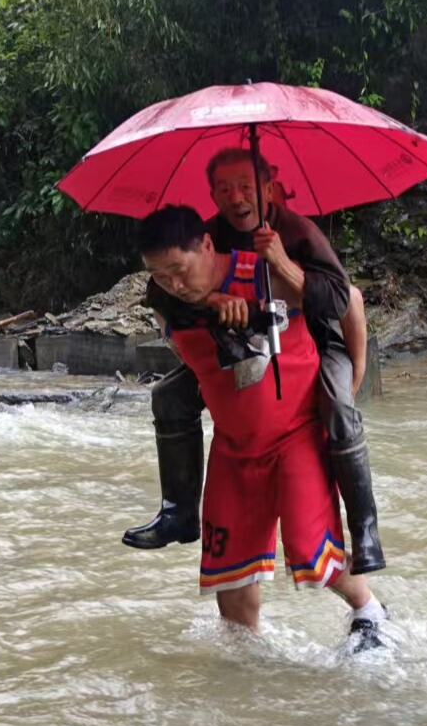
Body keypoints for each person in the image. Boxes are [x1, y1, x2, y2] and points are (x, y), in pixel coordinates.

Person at [123, 149, 386, 583]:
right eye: (224, 189)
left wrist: (356, 370)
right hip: (245, 343)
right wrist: (214, 301)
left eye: (245, 186)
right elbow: (167, 295)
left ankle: (366, 530)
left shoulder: (296, 230)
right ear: (212, 195)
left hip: (318, 339)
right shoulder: (208, 234)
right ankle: (179, 511)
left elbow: (346, 300)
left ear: (269, 187)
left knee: (340, 410)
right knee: (168, 395)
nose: (236, 197)